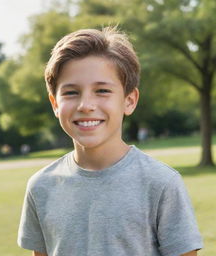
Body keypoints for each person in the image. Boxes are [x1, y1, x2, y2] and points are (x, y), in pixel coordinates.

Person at [17, 27, 203, 256]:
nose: (85, 105)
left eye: (102, 90)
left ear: (129, 101)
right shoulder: (40, 186)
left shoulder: (162, 183)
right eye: (71, 92)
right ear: (55, 103)